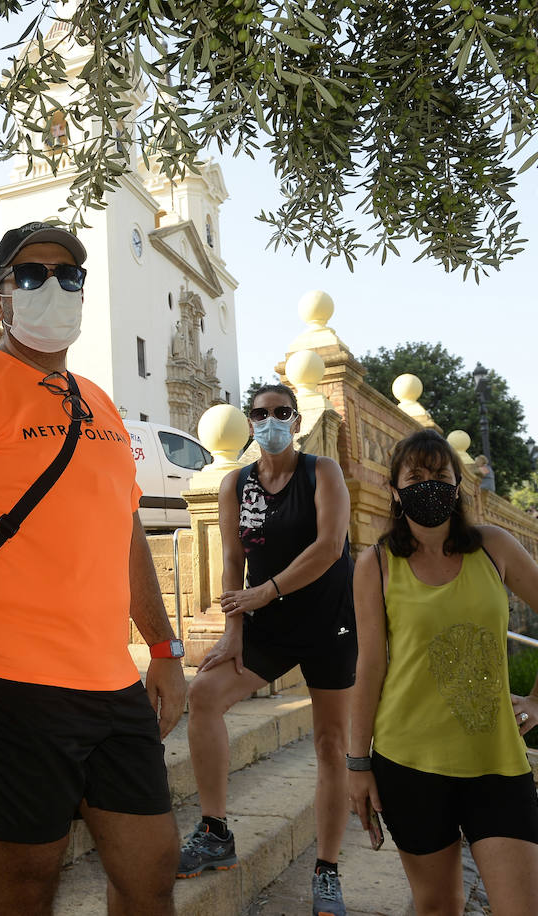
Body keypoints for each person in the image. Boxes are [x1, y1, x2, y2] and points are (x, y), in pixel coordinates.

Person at [0, 222, 187, 915]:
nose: (53, 287)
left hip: (111, 686)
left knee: (152, 868)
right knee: (26, 882)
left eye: (69, 274)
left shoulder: (100, 402)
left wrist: (166, 650)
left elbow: (127, 533)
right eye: (30, 275)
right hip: (8, 683)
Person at [347, 429, 538, 915]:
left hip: (495, 762)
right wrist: (358, 764)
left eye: (440, 475)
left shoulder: (494, 548)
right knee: (437, 906)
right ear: (394, 490)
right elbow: (370, 666)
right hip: (407, 763)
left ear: (458, 487)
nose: (428, 485)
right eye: (415, 476)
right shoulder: (376, 565)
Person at [177, 383, 356, 916]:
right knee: (205, 695)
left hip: (329, 623)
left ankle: (326, 870)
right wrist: (234, 630)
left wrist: (266, 590)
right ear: (250, 422)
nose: (271, 420)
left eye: (282, 412)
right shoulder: (238, 484)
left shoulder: (322, 473)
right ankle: (215, 832)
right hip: (267, 624)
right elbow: (232, 559)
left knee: (330, 743)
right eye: (261, 413)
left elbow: (329, 547)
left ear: (296, 420)